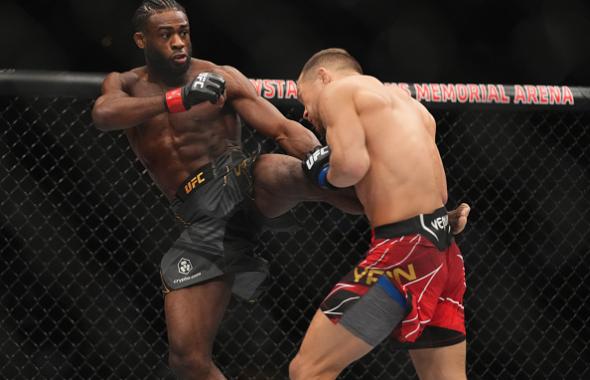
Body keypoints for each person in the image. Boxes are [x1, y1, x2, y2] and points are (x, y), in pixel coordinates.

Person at [91, 2, 470, 379]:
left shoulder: (222, 77)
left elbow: (285, 131)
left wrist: (319, 161)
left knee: (277, 169)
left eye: (183, 32)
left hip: (236, 181)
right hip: (200, 217)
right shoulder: (124, 84)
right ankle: (427, 220)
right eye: (166, 34)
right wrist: (178, 99)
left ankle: (417, 217)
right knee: (187, 358)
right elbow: (104, 114)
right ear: (141, 39)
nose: (178, 42)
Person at [290, 48, 469, 380]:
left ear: (323, 77)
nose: (304, 112)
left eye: (303, 97)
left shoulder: (338, 91)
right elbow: (441, 194)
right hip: (443, 255)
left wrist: (322, 172)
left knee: (308, 370)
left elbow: (351, 167)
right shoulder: (413, 106)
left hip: (403, 256)